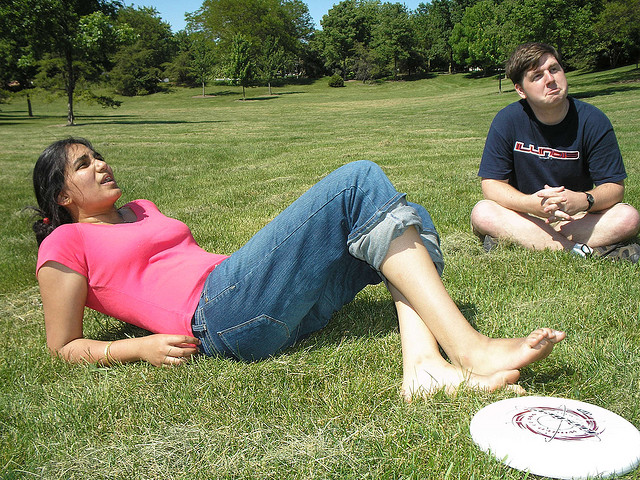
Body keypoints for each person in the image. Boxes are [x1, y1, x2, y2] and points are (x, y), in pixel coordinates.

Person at [32, 137, 565, 400]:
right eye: (84, 164)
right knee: (358, 181)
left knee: (409, 218)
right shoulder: (65, 241)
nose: (101, 164)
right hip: (217, 317)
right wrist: (136, 348)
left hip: (254, 302)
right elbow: (64, 346)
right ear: (61, 196)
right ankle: (468, 347)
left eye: (97, 156)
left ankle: (424, 366)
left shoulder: (140, 210)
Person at [471, 42, 640, 261]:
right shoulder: (507, 120)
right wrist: (531, 204)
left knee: (628, 217)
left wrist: (583, 200)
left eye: (554, 69)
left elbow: (614, 188)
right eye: (537, 76)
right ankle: (581, 251)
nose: (550, 79)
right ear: (520, 90)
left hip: (576, 217)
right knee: (483, 212)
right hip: (524, 214)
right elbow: (491, 185)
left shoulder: (593, 120)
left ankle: (529, 241)